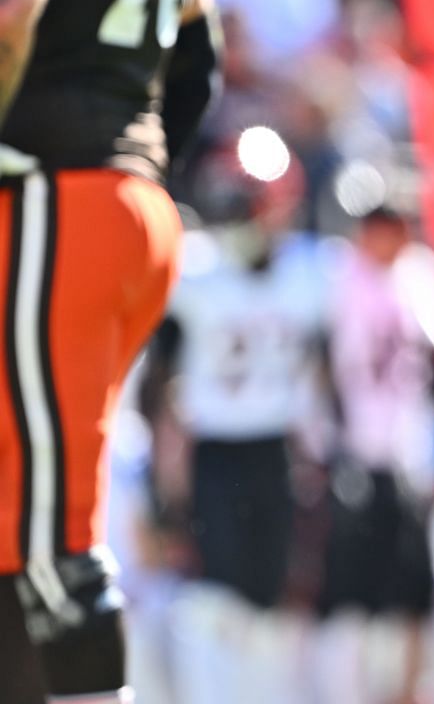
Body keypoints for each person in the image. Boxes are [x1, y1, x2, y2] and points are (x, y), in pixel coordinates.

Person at [0, 0, 221, 704]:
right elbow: (198, 34)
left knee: (49, 531)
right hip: (123, 194)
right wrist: (141, 165)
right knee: (13, 518)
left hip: (54, 197)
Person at [146, 131, 328, 704]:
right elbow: (159, 385)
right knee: (209, 599)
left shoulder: (309, 271)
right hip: (215, 450)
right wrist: (164, 475)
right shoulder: (197, 274)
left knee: (267, 598)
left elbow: (320, 372)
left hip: (274, 449)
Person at [315, 204, 434, 704]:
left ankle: (408, 691)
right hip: (352, 454)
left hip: (411, 457)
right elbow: (320, 365)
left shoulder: (423, 278)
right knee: (352, 593)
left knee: (415, 591)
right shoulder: (336, 276)